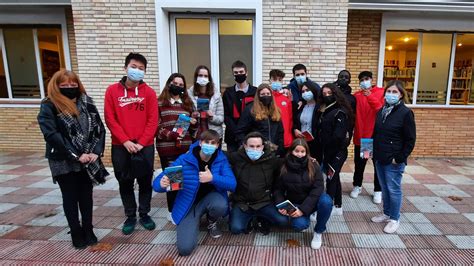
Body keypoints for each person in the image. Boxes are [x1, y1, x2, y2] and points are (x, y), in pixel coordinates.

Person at [38, 70, 109, 249]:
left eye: (73, 84)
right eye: (65, 85)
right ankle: (76, 231)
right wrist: (76, 155)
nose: (70, 88)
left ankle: (88, 228)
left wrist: (96, 152)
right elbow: (51, 134)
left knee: (86, 196)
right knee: (70, 196)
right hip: (64, 159)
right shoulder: (49, 105)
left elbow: (99, 128)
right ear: (56, 86)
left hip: (88, 157)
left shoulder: (86, 101)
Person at [153, 130, 236, 256]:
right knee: (185, 249)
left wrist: (212, 178)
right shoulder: (185, 159)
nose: (209, 145)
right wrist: (161, 184)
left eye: (213, 143)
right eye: (206, 142)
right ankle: (193, 222)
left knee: (220, 205)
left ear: (218, 145)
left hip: (211, 199)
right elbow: (158, 184)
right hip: (188, 204)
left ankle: (211, 220)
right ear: (200, 143)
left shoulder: (221, 160)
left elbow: (232, 184)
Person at [104, 52, 158, 235]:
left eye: (141, 69)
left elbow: (153, 120)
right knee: (125, 182)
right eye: (134, 67)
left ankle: (144, 214)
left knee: (145, 182)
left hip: (145, 146)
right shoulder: (112, 91)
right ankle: (130, 216)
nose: (137, 71)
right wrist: (125, 141)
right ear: (125, 68)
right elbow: (110, 119)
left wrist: (141, 143)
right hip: (121, 146)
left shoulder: (149, 93)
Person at [371, 80, 416, 234]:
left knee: (393, 189)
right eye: (388, 92)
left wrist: (400, 157)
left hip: (394, 160)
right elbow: (376, 133)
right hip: (379, 156)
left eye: (394, 92)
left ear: (401, 94)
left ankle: (394, 219)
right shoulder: (382, 110)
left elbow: (410, 139)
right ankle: (386, 213)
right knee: (384, 188)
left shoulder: (405, 113)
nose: (390, 95)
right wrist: (368, 150)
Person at [273, 139, 332, 249]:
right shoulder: (283, 165)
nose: (299, 154)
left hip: (310, 202)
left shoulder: (313, 165)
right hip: (295, 202)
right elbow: (278, 189)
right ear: (291, 151)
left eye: (302, 152)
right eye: (296, 151)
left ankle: (318, 232)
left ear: (307, 153)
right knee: (299, 225)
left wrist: (303, 210)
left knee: (326, 201)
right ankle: (307, 215)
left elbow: (318, 188)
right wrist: (281, 205)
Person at [227, 132, 287, 235]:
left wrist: (309, 160)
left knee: (283, 221)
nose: (255, 149)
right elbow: (217, 155)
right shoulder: (236, 158)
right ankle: (250, 219)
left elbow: (290, 161)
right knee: (235, 228)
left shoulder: (271, 160)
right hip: (242, 203)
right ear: (245, 146)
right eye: (251, 146)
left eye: (258, 146)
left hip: (264, 202)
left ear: (263, 146)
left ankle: (262, 218)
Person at [156, 73, 198, 218]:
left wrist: (194, 123)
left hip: (185, 149)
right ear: (169, 84)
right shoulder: (160, 103)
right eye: (175, 83)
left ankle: (183, 208)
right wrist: (172, 134)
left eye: (181, 85)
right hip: (168, 149)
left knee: (185, 179)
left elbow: (194, 131)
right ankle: (172, 210)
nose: (178, 87)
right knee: (173, 181)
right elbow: (156, 127)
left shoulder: (187, 103)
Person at [314, 83, 354, 215]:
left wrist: (329, 145)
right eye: (324, 94)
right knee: (334, 177)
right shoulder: (322, 109)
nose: (326, 96)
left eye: (329, 93)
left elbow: (339, 135)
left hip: (337, 151)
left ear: (335, 94)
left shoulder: (340, 111)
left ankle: (329, 205)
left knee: (331, 178)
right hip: (325, 150)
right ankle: (338, 204)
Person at [350, 71, 384, 204]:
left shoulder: (380, 92)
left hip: (377, 136)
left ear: (371, 79)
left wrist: (370, 96)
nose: (365, 81)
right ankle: (357, 186)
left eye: (367, 79)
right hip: (364, 138)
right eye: (362, 79)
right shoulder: (357, 95)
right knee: (360, 164)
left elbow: (381, 111)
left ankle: (378, 190)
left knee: (378, 165)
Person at [235, 84, 285, 156]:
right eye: (263, 94)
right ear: (258, 96)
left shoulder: (276, 111)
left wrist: (280, 149)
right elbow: (240, 131)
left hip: (273, 151)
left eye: (268, 94)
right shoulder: (250, 110)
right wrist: (246, 147)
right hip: (256, 150)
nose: (266, 96)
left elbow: (280, 132)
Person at [222, 60, 257, 152]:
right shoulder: (228, 93)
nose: (239, 74)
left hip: (251, 136)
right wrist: (237, 131)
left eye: (241, 72)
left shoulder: (255, 92)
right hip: (232, 137)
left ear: (246, 73)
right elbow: (226, 115)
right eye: (236, 73)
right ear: (233, 74)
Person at [187, 65, 224, 138]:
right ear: (196, 77)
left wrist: (212, 117)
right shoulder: (189, 94)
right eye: (200, 75)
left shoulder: (216, 95)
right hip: (196, 135)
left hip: (213, 136)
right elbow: (185, 116)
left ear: (209, 78)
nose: (203, 78)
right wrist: (192, 116)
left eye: (205, 76)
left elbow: (221, 119)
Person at [293, 81, 320, 158]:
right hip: (301, 143)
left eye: (307, 90)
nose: (305, 93)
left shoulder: (319, 107)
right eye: (303, 91)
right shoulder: (301, 106)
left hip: (315, 144)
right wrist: (295, 129)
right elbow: (295, 121)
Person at [269, 69, 294, 149]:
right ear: (270, 80)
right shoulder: (267, 97)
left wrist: (289, 138)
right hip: (270, 140)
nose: (277, 82)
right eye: (274, 79)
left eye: (279, 80)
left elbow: (290, 119)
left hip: (286, 140)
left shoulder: (286, 98)